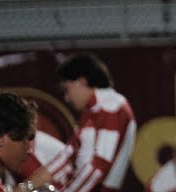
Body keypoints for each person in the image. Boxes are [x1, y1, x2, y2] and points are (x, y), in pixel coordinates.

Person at [44, 54, 137, 192]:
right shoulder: (93, 111)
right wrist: (23, 187)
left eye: (67, 89)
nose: (67, 98)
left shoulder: (112, 107)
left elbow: (99, 166)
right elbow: (67, 156)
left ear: (82, 81)